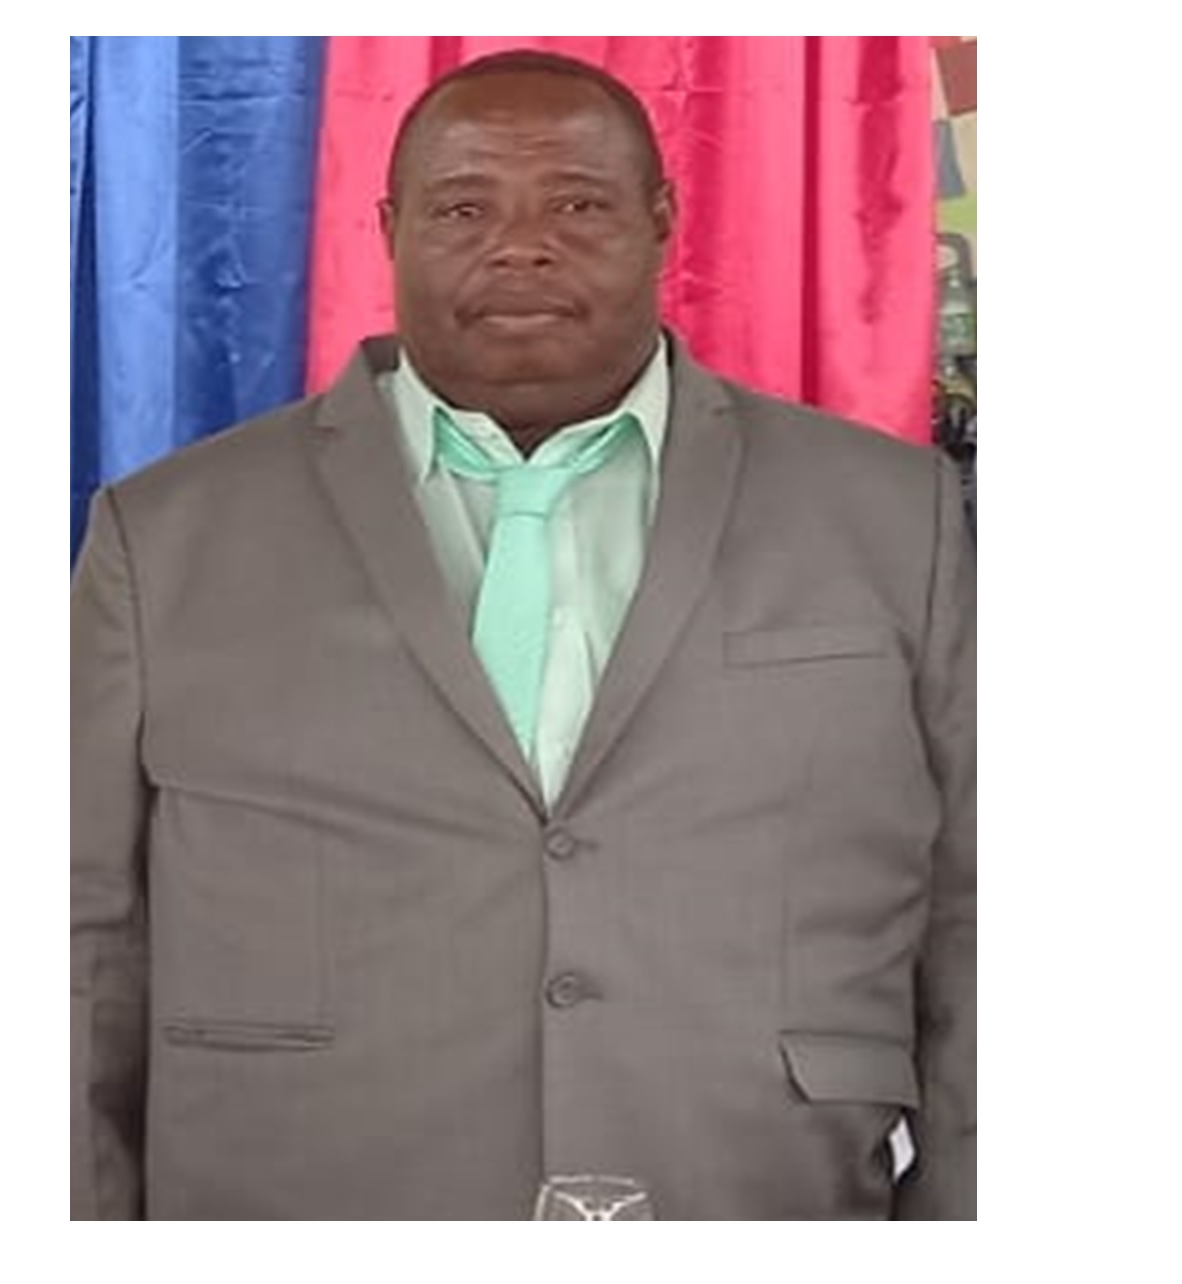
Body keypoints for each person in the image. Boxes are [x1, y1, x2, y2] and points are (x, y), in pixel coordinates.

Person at [71, 48, 975, 1221]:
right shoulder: (165, 536)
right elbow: (75, 939)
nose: (520, 247)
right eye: (462, 208)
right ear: (388, 229)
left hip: (749, 1190)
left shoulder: (891, 515)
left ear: (663, 222)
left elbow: (980, 914)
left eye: (578, 205)